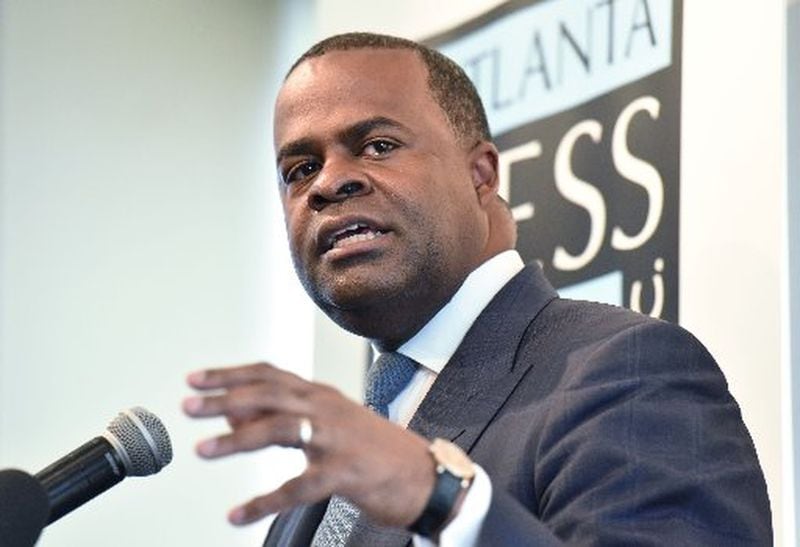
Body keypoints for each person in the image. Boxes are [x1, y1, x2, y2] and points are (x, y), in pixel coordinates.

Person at [183, 32, 772, 546]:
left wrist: (440, 499)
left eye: (378, 145)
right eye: (300, 169)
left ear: (481, 174)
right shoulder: (326, 473)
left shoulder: (628, 372)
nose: (329, 182)